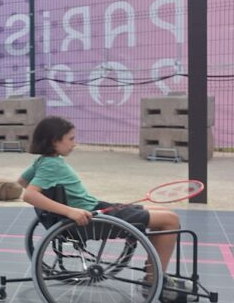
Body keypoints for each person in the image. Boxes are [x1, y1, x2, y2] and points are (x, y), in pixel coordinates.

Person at [18, 115, 180, 282]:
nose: (74, 143)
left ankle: (152, 269)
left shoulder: (43, 161)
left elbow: (22, 181)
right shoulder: (52, 164)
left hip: (94, 208)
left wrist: (53, 204)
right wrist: (69, 211)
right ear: (54, 141)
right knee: (170, 220)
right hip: (90, 219)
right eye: (71, 139)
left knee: (162, 213)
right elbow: (30, 195)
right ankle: (154, 280)